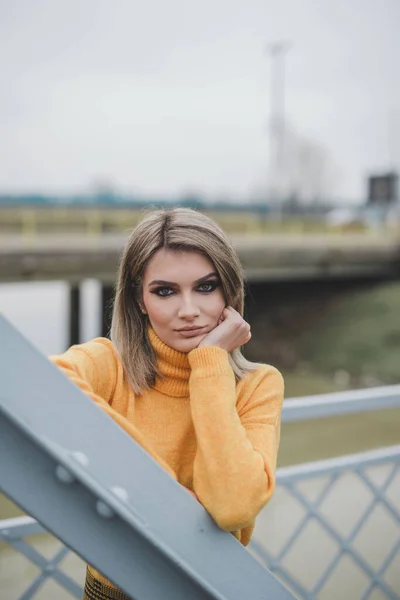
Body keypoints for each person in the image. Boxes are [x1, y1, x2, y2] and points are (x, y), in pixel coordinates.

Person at [50, 207, 284, 600]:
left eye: (206, 287)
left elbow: (234, 508)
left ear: (230, 292)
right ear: (139, 300)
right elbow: (48, 388)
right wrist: (166, 493)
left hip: (206, 588)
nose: (188, 310)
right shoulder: (109, 365)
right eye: (165, 291)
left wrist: (209, 363)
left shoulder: (257, 386)